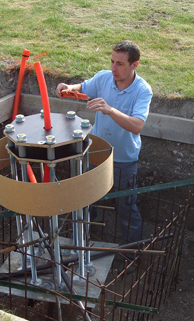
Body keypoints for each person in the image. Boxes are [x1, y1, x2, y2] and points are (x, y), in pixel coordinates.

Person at [56, 40, 153, 244]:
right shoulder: (104, 78)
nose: (113, 68)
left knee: (126, 207)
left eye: (120, 63)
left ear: (134, 65)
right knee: (89, 201)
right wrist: (68, 87)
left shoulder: (142, 90)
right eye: (112, 61)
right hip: (97, 154)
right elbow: (82, 87)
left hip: (124, 160)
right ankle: (83, 244)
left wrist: (110, 110)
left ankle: (133, 252)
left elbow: (137, 126)